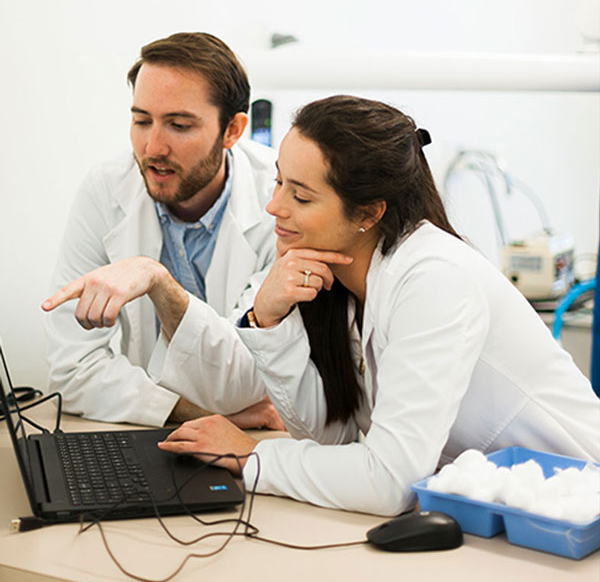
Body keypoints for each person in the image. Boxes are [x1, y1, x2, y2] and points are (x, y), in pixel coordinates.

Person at [43, 95, 600, 517]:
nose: (273, 205)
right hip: (487, 509)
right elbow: (329, 434)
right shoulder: (343, 275)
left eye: (300, 196)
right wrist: (270, 319)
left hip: (568, 504)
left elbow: (388, 480)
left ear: (368, 211)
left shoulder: (434, 278)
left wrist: (249, 456)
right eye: (280, 182)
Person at [45, 32, 283, 430]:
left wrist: (157, 281)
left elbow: (251, 378)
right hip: (149, 432)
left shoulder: (282, 202)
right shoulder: (106, 191)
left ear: (233, 131)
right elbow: (71, 371)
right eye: (141, 121)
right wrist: (198, 416)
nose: (153, 147)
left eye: (179, 125)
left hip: (262, 442)